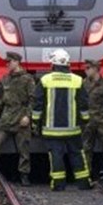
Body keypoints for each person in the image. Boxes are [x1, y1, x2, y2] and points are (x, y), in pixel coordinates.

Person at [33, 49, 92, 191]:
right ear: (68, 64)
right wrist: (85, 119)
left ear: (52, 64)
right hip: (73, 129)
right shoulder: (77, 80)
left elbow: (38, 103)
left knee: (56, 156)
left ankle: (58, 184)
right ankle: (84, 183)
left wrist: (35, 121)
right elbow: (83, 103)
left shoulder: (45, 80)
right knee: (77, 154)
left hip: (51, 130)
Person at [0, 52, 35, 186]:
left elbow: (33, 100)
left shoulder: (27, 79)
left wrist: (28, 116)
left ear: (17, 62)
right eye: (7, 62)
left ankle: (24, 175)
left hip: (21, 116)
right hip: (6, 116)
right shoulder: (5, 79)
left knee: (24, 150)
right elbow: (1, 97)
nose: (7, 64)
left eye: (9, 62)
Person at [81, 59, 103, 178]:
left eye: (88, 68)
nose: (85, 71)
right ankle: (86, 175)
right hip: (87, 121)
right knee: (86, 148)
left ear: (96, 69)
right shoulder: (83, 84)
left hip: (102, 120)